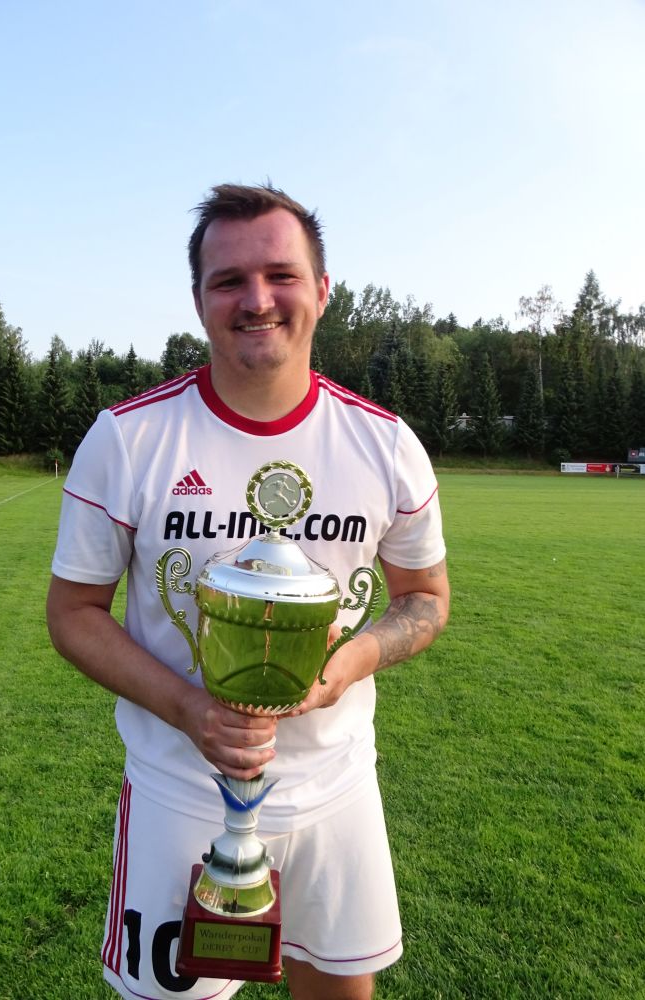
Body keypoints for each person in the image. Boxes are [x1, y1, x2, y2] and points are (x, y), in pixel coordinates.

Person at [47, 183, 450, 1000]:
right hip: (179, 793)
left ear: (323, 290)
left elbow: (426, 599)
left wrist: (349, 663)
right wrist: (190, 710)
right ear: (199, 300)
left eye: (281, 275)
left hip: (336, 789)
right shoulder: (129, 438)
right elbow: (73, 613)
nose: (256, 299)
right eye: (228, 280)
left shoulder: (385, 445)